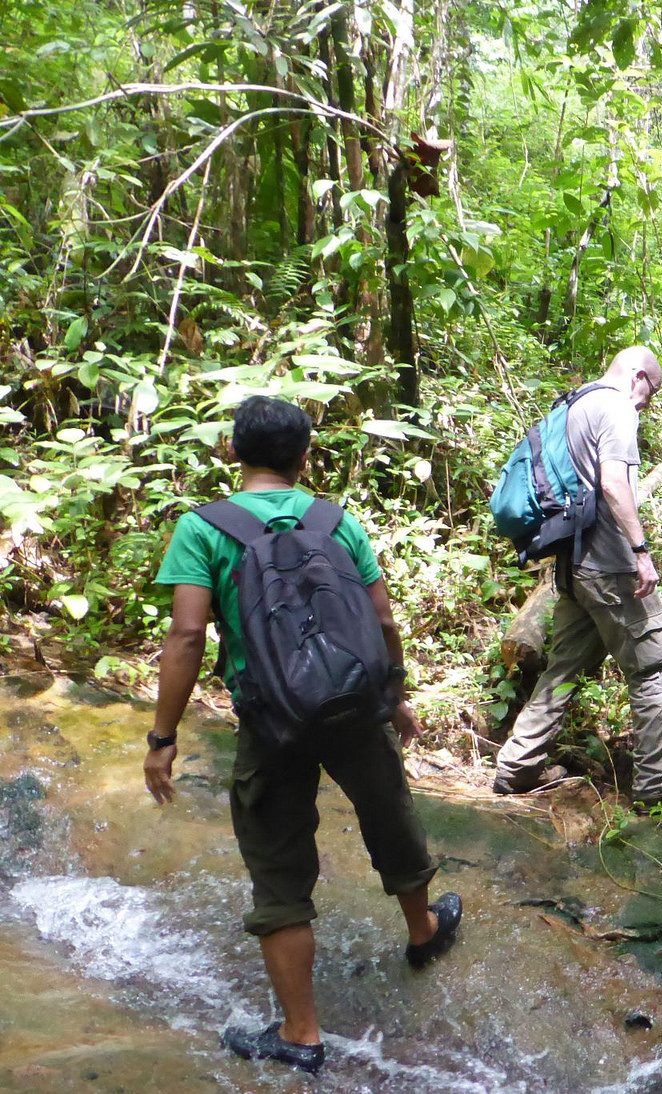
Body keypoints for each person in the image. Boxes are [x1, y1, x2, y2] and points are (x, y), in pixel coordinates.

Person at [146, 395, 460, 1076]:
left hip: (271, 718)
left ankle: (301, 1031)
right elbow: (379, 617)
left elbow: (188, 635)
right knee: (387, 809)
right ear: (305, 457)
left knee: (279, 861)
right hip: (352, 705)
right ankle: (422, 930)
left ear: (234, 452)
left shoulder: (204, 529)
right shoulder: (335, 520)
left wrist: (162, 736)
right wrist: (394, 698)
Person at [493, 346, 662, 808]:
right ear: (639, 376)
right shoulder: (617, 408)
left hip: (574, 567)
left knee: (563, 667)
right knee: (656, 668)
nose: (649, 402)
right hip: (611, 567)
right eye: (652, 391)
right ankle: (659, 788)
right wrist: (641, 552)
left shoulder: (573, 403)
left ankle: (517, 766)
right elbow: (613, 484)